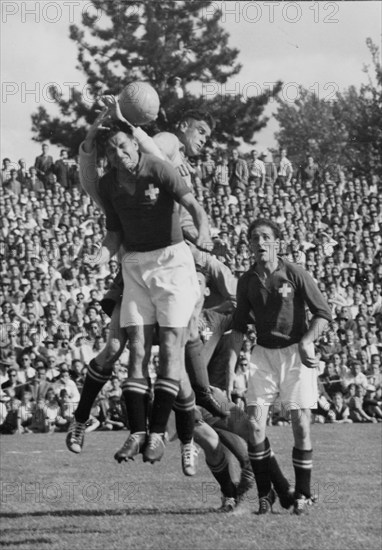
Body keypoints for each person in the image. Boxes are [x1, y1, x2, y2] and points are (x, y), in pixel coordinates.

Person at [69, 104, 210, 466]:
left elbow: (193, 206)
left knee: (176, 356)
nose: (119, 154)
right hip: (133, 264)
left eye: (123, 146)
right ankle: (128, 430)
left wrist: (205, 237)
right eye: (112, 150)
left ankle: (177, 436)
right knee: (128, 346)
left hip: (172, 263)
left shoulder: (161, 168)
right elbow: (112, 229)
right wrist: (102, 254)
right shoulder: (108, 182)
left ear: (136, 144)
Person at [226, 218, 332, 515]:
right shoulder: (247, 281)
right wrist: (233, 368)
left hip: (295, 356)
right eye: (254, 238)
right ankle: (265, 495)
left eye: (265, 237)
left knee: (301, 425)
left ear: (277, 243)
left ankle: (303, 494)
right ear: (248, 245)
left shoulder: (294, 273)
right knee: (255, 426)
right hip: (262, 358)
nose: (260, 243)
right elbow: (238, 328)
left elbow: (323, 313)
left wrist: (308, 340)